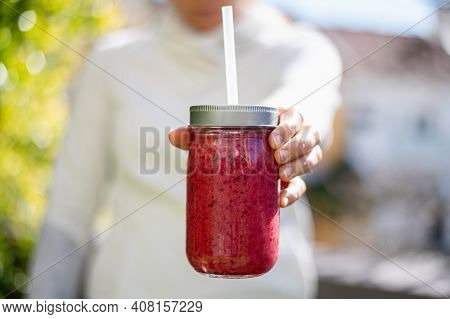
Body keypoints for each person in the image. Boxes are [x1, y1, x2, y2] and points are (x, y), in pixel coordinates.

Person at [29, 0, 342, 298]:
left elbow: (306, 104)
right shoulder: (112, 59)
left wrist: (291, 132)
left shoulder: (304, 50)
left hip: (262, 298)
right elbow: (69, 208)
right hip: (133, 295)